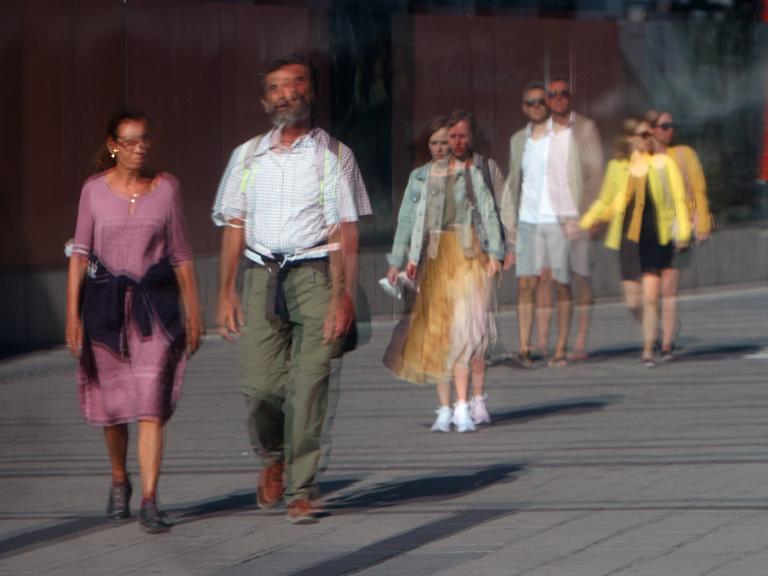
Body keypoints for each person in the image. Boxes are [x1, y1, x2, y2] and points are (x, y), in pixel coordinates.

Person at [212, 55, 368, 524]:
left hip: (317, 274)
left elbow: (345, 231)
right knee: (259, 388)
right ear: (265, 100)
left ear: (313, 92)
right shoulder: (245, 156)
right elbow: (234, 225)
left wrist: (343, 295)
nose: (288, 93)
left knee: (311, 384)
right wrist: (226, 291)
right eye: (277, 87)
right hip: (262, 276)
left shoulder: (335, 156)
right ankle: (273, 458)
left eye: (297, 83)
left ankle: (302, 487)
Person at [65, 108, 202, 534]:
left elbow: (180, 254)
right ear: (112, 146)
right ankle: (120, 479)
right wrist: (72, 314)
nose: (139, 147)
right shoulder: (93, 192)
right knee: (114, 410)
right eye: (129, 141)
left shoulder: (166, 189)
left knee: (150, 405)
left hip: (155, 310)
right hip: (106, 308)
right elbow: (81, 255)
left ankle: (149, 499)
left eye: (144, 139)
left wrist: (194, 311)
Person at [384, 112, 504, 433]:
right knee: (438, 332)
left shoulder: (471, 174)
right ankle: (444, 407)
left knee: (466, 332)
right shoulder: (420, 178)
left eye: (446, 141)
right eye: (435, 142)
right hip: (435, 259)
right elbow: (407, 221)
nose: (441, 147)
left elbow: (490, 214)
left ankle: (466, 404)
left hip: (467, 255)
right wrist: (398, 260)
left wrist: (495, 253)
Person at [580, 119, 691, 366]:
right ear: (629, 139)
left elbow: (679, 200)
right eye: (640, 134)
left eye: (648, 134)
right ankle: (654, 332)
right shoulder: (618, 168)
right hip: (629, 239)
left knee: (651, 294)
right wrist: (586, 222)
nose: (645, 138)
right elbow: (605, 202)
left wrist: (682, 232)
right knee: (632, 300)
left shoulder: (663, 165)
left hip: (656, 237)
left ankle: (648, 350)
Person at [501, 81, 573, 367]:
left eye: (540, 101)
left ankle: (560, 349)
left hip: (558, 219)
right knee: (525, 284)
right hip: (528, 220)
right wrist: (510, 225)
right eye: (530, 102)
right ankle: (525, 347)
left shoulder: (564, 136)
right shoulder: (519, 139)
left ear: (549, 104)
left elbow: (575, 178)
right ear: (523, 107)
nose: (536, 106)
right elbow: (513, 180)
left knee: (560, 283)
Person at [534, 75, 604, 363]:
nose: (558, 99)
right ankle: (541, 341)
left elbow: (596, 174)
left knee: (579, 276)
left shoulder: (585, 128)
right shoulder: (539, 131)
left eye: (563, 94)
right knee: (545, 277)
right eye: (553, 95)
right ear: (547, 100)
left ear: (570, 97)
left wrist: (587, 216)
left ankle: (579, 340)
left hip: (577, 215)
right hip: (546, 216)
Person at [647, 110, 713, 360]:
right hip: (651, 231)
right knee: (650, 289)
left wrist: (702, 223)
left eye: (671, 126)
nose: (668, 130)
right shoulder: (643, 157)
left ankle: (665, 342)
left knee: (669, 285)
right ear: (651, 129)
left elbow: (698, 189)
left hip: (678, 226)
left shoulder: (685, 154)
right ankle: (657, 332)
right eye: (663, 126)